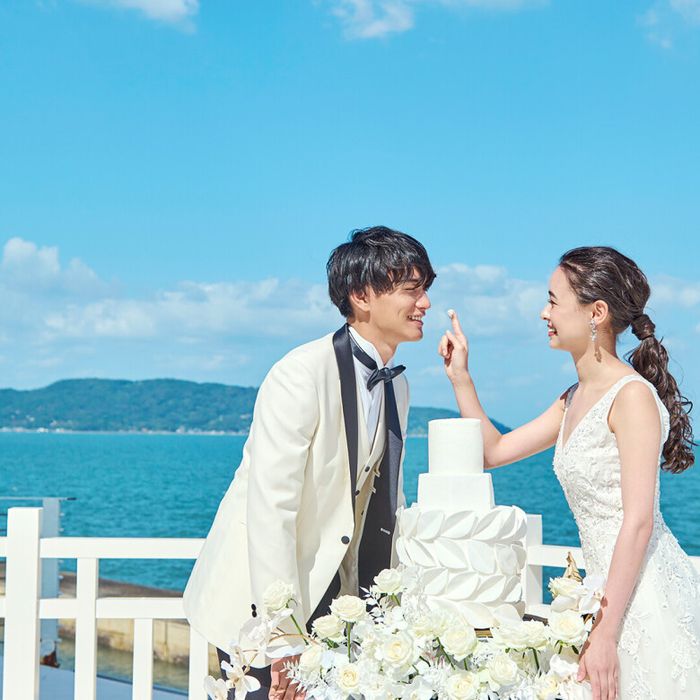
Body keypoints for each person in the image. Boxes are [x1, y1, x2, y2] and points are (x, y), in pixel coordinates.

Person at [184, 226, 435, 699]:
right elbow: (271, 507)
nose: (425, 303)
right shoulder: (300, 373)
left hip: (337, 602)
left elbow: (383, 500)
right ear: (362, 295)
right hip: (261, 607)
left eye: (424, 289)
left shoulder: (396, 386)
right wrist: (282, 636)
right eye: (411, 289)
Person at [439, 246, 700, 700]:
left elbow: (638, 522)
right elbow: (493, 452)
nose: (544, 313)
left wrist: (606, 633)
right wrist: (461, 376)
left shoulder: (632, 396)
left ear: (596, 313)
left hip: (640, 597)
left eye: (553, 301)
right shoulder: (572, 398)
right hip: (602, 599)